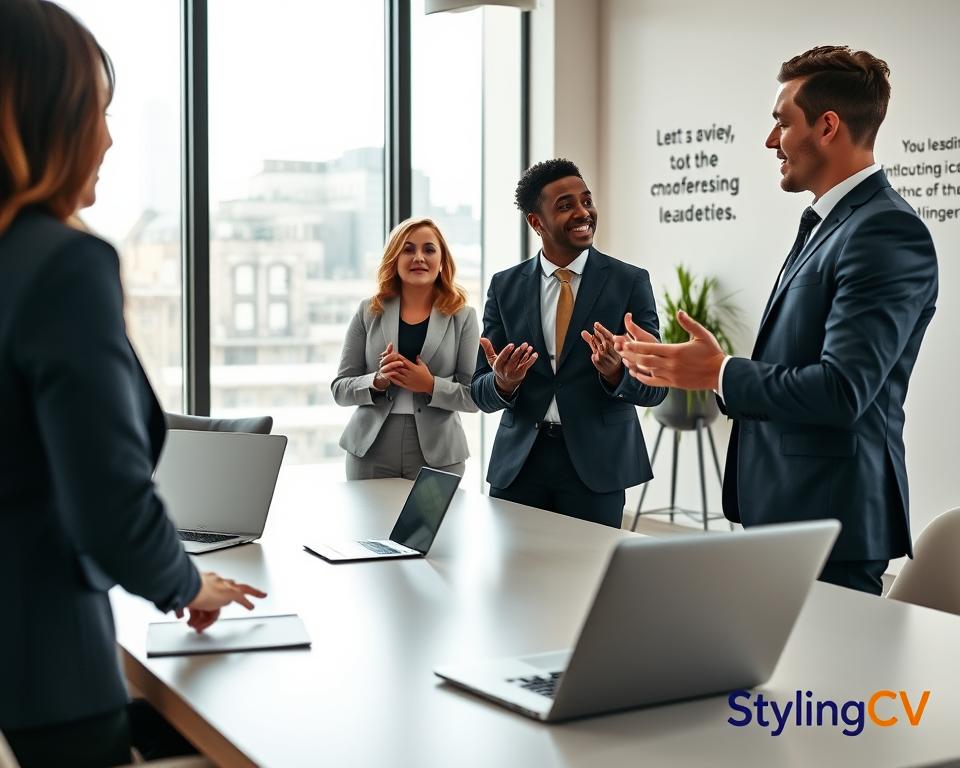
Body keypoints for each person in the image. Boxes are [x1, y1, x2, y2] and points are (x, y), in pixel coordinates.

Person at [0, 3, 266, 765]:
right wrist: (184, 582)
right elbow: (107, 503)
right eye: (97, 113)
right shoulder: (60, 267)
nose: (110, 140)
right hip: (43, 671)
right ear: (46, 119)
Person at [614, 46, 938, 595]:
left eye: (781, 122)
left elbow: (841, 390)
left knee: (828, 685)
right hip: (790, 516)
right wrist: (688, 368)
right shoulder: (830, 223)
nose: (771, 141)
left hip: (830, 528)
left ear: (828, 126)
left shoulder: (885, 232)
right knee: (775, 685)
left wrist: (717, 373)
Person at [471, 159, 667, 528]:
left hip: (597, 468)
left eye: (586, 201)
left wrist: (615, 374)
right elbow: (479, 391)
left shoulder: (630, 282)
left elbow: (656, 389)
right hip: (519, 468)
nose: (583, 212)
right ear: (536, 222)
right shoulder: (504, 286)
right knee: (515, 579)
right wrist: (503, 383)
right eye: (565, 205)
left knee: (589, 580)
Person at [332, 217, 479, 480]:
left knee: (427, 523)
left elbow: (473, 397)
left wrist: (430, 384)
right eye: (408, 249)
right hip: (370, 449)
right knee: (372, 524)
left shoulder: (463, 317)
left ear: (442, 259)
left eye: (429, 249)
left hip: (439, 454)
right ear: (394, 258)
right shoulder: (368, 311)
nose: (419, 257)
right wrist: (377, 381)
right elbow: (340, 389)